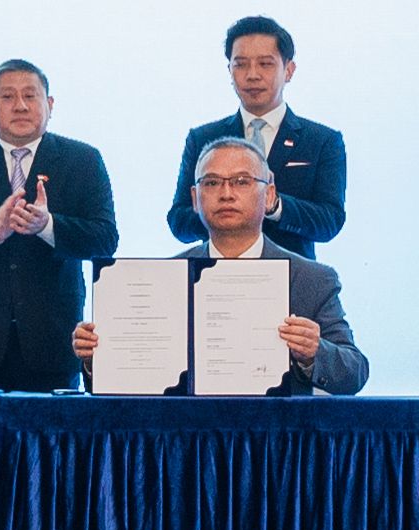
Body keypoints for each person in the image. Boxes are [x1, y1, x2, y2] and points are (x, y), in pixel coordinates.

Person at [74, 135, 368, 395]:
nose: (226, 193)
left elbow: (355, 372)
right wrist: (95, 359)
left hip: (276, 436)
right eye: (212, 182)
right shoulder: (163, 278)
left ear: (269, 194)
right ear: (195, 198)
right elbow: (124, 382)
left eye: (241, 181)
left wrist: (314, 352)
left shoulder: (310, 278)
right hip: (184, 434)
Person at [0, 61, 119, 392]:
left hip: (54, 346)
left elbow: (105, 239)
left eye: (30, 95)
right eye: (7, 97)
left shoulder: (83, 160)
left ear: (50, 105)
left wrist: (48, 226)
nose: (21, 106)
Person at [166, 16, 346, 257]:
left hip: (291, 273)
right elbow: (179, 222)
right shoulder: (203, 138)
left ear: (289, 70)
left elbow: (330, 222)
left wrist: (274, 205)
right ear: (229, 70)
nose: (252, 75)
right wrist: (220, 212)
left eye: (265, 64)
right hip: (215, 272)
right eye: (241, 65)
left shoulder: (322, 140)